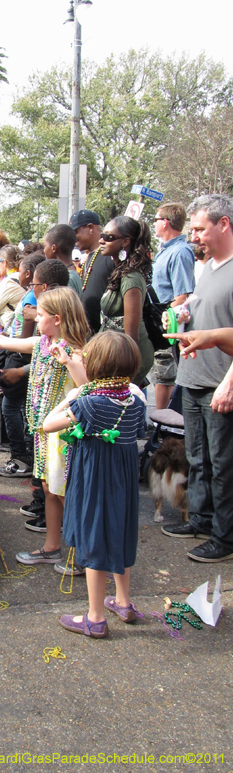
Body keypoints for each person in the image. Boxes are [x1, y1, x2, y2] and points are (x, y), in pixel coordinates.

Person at [0, 287, 89, 566]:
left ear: (58, 319)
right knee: (50, 491)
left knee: (67, 494)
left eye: (40, 315)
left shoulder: (76, 352)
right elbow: (4, 342)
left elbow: (88, 386)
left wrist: (66, 360)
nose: (34, 319)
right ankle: (52, 546)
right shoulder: (41, 344)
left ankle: (84, 556)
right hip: (44, 435)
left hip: (66, 436)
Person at [43, 331, 147, 638]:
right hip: (124, 483)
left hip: (94, 480)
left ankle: (95, 617)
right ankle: (124, 603)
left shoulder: (87, 404)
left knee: (93, 537)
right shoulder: (135, 400)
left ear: (97, 365)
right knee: (119, 532)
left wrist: (71, 397)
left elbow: (48, 424)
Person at [161, 194, 233, 563]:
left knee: (223, 464)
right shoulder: (205, 269)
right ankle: (201, 520)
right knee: (198, 458)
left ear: (224, 224)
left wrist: (230, 382)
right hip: (193, 379)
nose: (195, 237)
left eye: (201, 229)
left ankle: (225, 536)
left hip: (220, 383)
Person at [0, 252, 45, 479]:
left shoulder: (33, 298)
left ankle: (21, 457)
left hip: (20, 356)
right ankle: (24, 454)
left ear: (29, 274)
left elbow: (25, 339)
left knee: (11, 407)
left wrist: (11, 359)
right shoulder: (29, 294)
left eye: (21, 271)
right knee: (17, 407)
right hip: (14, 353)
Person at [98, 217, 154, 388]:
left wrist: (126, 372)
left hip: (127, 357)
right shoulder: (120, 271)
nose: (101, 240)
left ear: (125, 242)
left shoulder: (131, 278)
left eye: (109, 237)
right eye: (102, 235)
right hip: (115, 352)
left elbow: (131, 336)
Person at [151, 203, 195, 410]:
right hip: (159, 319)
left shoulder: (180, 252)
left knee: (165, 376)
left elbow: (183, 295)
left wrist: (164, 317)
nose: (154, 224)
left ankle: (165, 427)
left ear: (165, 222)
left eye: (156, 219)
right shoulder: (166, 251)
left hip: (169, 324)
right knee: (160, 375)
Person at [69, 209, 114, 335]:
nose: (73, 238)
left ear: (90, 228)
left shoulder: (110, 256)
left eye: (76, 232)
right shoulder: (88, 258)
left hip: (108, 337)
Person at [43, 225, 83, 297]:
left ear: (54, 248)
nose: (44, 250)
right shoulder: (74, 274)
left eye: (45, 246)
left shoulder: (66, 279)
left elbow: (63, 308)